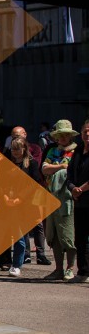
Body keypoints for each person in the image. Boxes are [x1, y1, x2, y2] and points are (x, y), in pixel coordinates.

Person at [42, 119, 79, 281]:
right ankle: (58, 269)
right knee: (54, 235)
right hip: (51, 198)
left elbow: (76, 172)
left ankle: (70, 268)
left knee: (68, 234)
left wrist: (54, 168)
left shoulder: (77, 151)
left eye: (65, 135)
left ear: (70, 136)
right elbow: (44, 168)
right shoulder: (52, 151)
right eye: (59, 135)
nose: (62, 138)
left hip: (69, 199)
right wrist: (62, 167)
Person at [3, 137, 41, 277]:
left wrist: (20, 198)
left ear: (24, 148)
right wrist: (6, 197)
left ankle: (16, 264)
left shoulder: (31, 163)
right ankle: (5, 262)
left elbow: (35, 183)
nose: (16, 152)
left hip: (24, 204)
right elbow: (2, 183)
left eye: (18, 148)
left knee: (19, 235)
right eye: (13, 149)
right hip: (8, 203)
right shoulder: (7, 163)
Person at [67, 120, 89, 283]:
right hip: (79, 202)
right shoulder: (78, 151)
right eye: (84, 132)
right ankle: (83, 272)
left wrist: (81, 189)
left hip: (85, 197)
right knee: (80, 238)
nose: (87, 134)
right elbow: (69, 175)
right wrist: (73, 188)